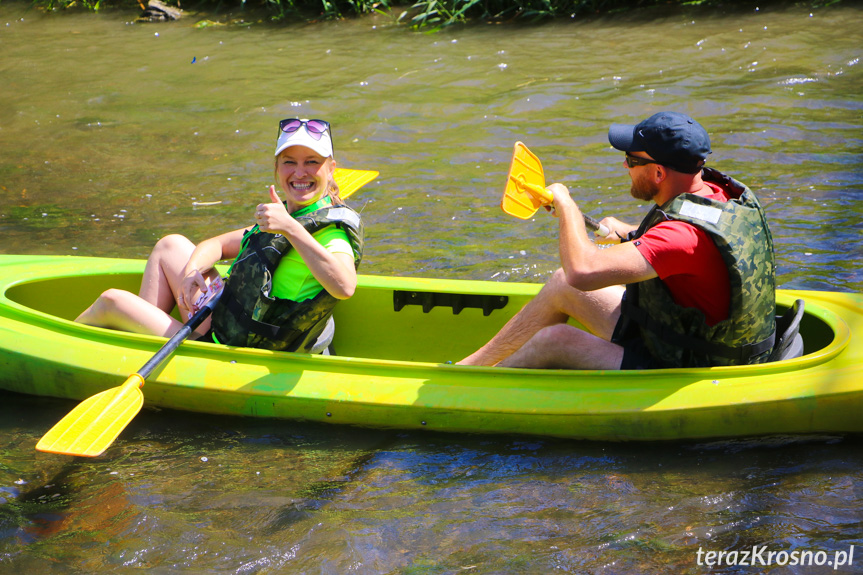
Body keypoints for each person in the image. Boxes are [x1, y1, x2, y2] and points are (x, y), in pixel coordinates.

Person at [459, 111, 776, 369]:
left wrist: (568, 207)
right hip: (704, 338)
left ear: (658, 174)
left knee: (554, 340)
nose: (625, 165)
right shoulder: (717, 193)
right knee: (561, 285)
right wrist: (626, 232)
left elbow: (582, 272)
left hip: (695, 362)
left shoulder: (679, 238)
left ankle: (472, 391)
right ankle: (468, 369)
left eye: (632, 160)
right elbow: (686, 237)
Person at [77, 118, 364, 353]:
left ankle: (77, 344)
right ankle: (144, 343)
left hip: (236, 349)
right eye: (290, 162)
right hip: (228, 321)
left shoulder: (329, 235)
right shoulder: (295, 214)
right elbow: (215, 245)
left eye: (311, 162)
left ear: (331, 169)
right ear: (277, 169)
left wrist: (289, 227)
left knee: (111, 301)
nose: (300, 172)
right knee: (170, 246)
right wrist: (192, 272)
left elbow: (345, 286)